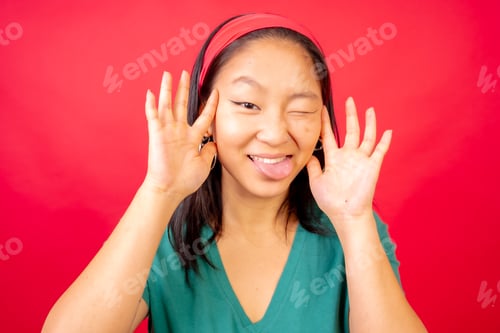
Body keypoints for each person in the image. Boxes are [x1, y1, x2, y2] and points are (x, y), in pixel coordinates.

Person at [42, 13, 427, 333]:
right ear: (207, 113)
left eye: (301, 109)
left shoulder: (353, 229)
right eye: (247, 104)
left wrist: (355, 222)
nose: (276, 133)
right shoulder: (163, 232)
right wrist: (159, 191)